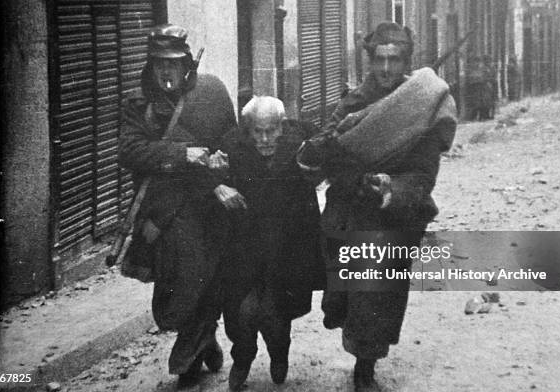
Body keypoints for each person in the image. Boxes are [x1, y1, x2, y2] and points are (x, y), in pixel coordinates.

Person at [297, 22, 457, 392]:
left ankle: (365, 366)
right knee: (342, 294)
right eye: (380, 60)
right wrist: (352, 174)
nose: (387, 69)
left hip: (391, 214)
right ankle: (351, 330)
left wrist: (393, 187)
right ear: (370, 60)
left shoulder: (422, 105)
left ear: (406, 61)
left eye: (395, 60)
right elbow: (332, 156)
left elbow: (423, 171)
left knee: (376, 293)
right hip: (349, 208)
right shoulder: (352, 103)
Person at [118, 24, 237, 388]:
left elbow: (232, 144)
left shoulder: (212, 93)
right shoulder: (139, 105)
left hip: (209, 206)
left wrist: (220, 170)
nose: (166, 73)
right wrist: (181, 153)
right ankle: (203, 336)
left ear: (187, 64)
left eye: (173, 64)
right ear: (150, 67)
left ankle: (188, 355)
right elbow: (130, 151)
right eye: (158, 65)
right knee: (176, 285)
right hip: (164, 212)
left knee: (205, 274)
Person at [219, 96, 324, 391]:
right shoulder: (231, 146)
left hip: (286, 247)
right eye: (257, 132)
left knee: (276, 312)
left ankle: (279, 353)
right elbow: (203, 173)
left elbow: (331, 152)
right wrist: (218, 186)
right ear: (248, 129)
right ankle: (243, 356)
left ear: (282, 126)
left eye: (271, 131)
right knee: (241, 312)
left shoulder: (302, 139)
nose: (264, 139)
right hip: (245, 245)